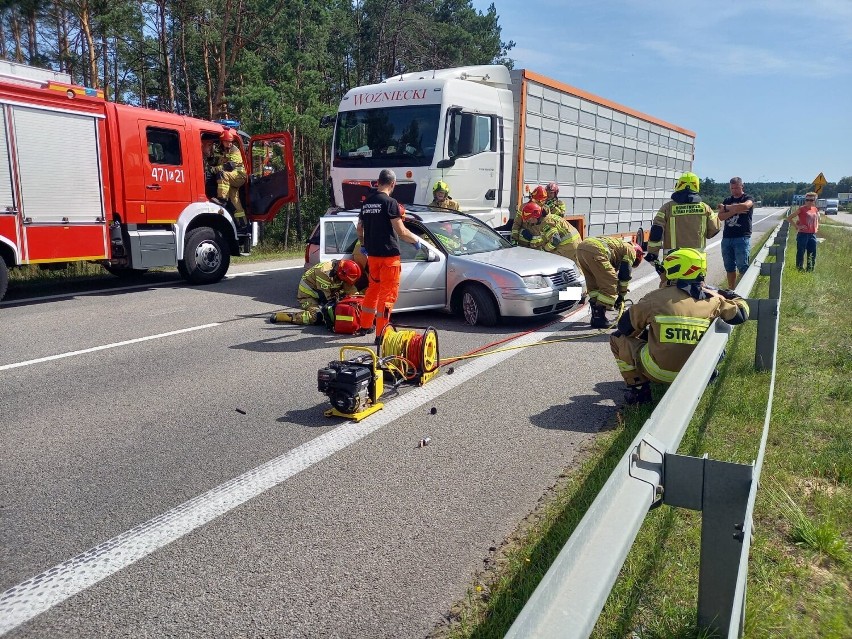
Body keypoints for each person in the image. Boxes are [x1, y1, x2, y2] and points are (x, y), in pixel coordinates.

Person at [609, 248, 749, 405]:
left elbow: (624, 328)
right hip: (697, 372)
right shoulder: (713, 301)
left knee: (616, 338)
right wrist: (726, 294)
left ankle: (640, 394)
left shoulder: (654, 299)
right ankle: (709, 376)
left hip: (658, 372)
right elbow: (742, 314)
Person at [358, 169, 433, 338]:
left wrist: (363, 244)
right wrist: (417, 241)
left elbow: (359, 227)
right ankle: (382, 334)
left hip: (373, 257)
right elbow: (401, 232)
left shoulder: (367, 203)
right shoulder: (390, 203)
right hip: (389, 257)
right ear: (393, 184)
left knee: (372, 291)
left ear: (378, 182)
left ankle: (365, 326)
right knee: (387, 295)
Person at [645, 172, 720, 283]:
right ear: (697, 186)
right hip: (697, 262)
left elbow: (656, 231)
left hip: (673, 262)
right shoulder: (705, 208)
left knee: (668, 293)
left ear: (678, 185)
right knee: (697, 294)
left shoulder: (667, 208)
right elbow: (714, 230)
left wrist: (653, 254)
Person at [575, 236, 644, 328]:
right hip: (596, 250)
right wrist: (621, 295)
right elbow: (624, 274)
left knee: (594, 285)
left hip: (581, 248)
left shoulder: (619, 247)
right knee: (610, 284)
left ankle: (596, 317)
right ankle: (599, 318)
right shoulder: (630, 250)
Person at [268, 259, 361, 325]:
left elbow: (352, 291)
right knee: (316, 317)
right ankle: (284, 317)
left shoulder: (343, 269)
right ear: (341, 274)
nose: (348, 283)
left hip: (325, 292)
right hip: (308, 296)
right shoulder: (323, 273)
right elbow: (327, 301)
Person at [718, 177, 755, 288]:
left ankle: (744, 290)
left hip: (742, 237)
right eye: (732, 188)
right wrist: (735, 209)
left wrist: (726, 208)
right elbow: (720, 216)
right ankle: (731, 290)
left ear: (742, 186)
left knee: (742, 266)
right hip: (727, 238)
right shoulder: (727, 200)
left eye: (737, 188)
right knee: (729, 267)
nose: (734, 190)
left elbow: (745, 206)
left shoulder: (748, 197)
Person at [211, 129, 248, 230]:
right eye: (227, 142)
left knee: (222, 174)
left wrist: (214, 169)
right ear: (222, 141)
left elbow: (230, 166)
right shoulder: (220, 151)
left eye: (231, 142)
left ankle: (222, 199)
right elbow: (215, 160)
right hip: (232, 178)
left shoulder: (235, 150)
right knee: (235, 200)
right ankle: (243, 224)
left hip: (239, 176)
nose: (230, 144)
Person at [786, 192, 820, 271]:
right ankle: (799, 268)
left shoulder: (815, 209)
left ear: (814, 201)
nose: (808, 201)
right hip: (803, 234)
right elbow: (789, 218)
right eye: (807, 200)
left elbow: (817, 219)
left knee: (812, 253)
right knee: (801, 252)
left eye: (811, 200)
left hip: (812, 235)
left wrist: (816, 227)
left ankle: (810, 269)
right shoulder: (802, 208)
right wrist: (797, 226)